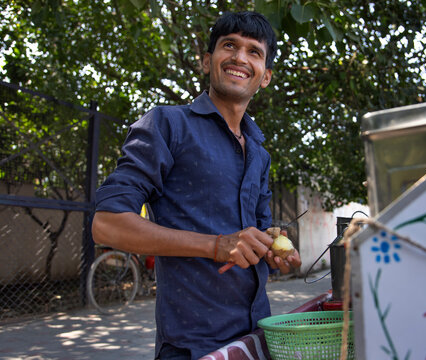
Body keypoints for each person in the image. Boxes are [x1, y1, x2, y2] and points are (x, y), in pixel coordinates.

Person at [91, 10, 302, 360]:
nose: (239, 57)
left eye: (254, 51)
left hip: (258, 339)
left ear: (265, 76)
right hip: (192, 346)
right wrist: (217, 245)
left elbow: (256, 232)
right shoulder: (166, 125)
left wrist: (273, 249)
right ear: (208, 61)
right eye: (229, 46)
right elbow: (106, 224)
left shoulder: (260, 154)